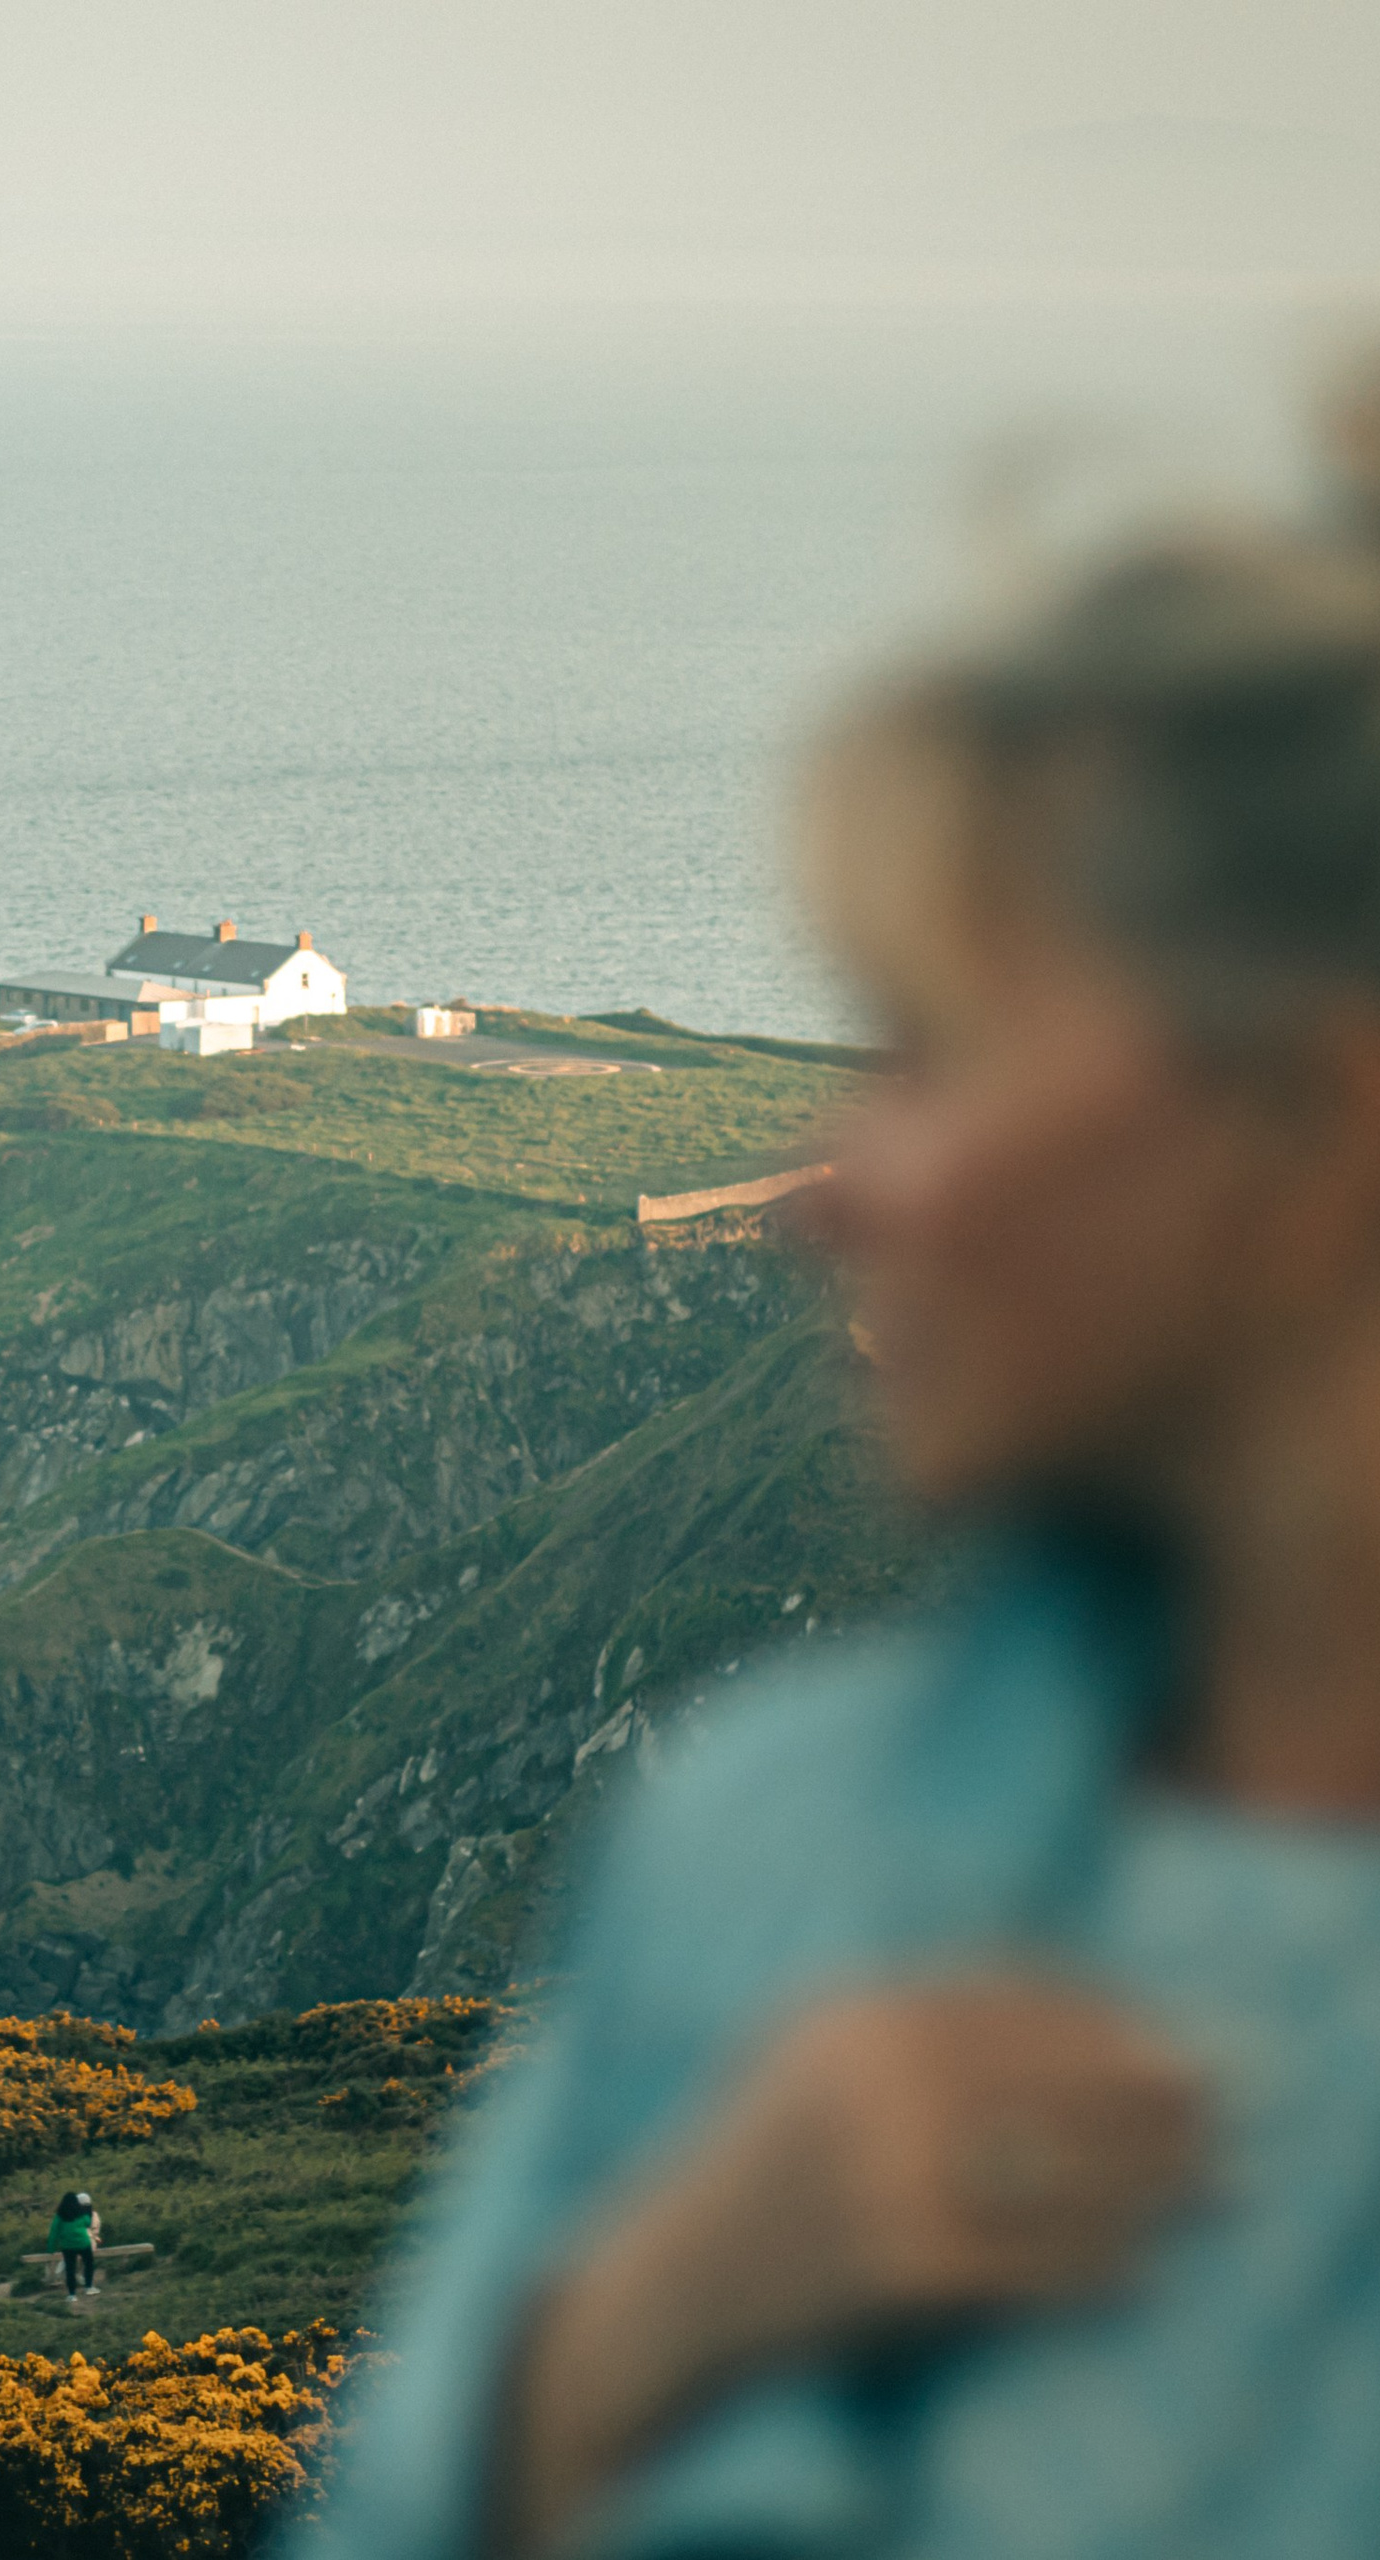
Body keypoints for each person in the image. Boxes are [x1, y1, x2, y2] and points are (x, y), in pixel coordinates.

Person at [303, 510, 1380, 2557]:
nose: (825, 1187)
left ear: (1309, 1127)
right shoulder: (761, 1826)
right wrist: (639, 2325)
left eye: (937, 1055)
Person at [47, 2189, 98, 2307]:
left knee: (70, 2269)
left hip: (67, 2245)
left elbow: (54, 2231)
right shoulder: (81, 2212)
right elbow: (87, 2223)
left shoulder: (59, 2216)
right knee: (89, 2263)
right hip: (83, 2243)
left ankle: (72, 2295)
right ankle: (89, 2287)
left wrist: (51, 2248)